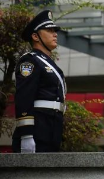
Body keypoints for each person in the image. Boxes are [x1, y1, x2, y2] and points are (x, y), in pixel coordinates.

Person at [12, 10, 66, 153]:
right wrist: (26, 135)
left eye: (55, 30)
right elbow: (24, 97)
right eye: (49, 30)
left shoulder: (48, 63)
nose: (55, 34)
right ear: (35, 36)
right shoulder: (30, 61)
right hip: (37, 132)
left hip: (51, 130)